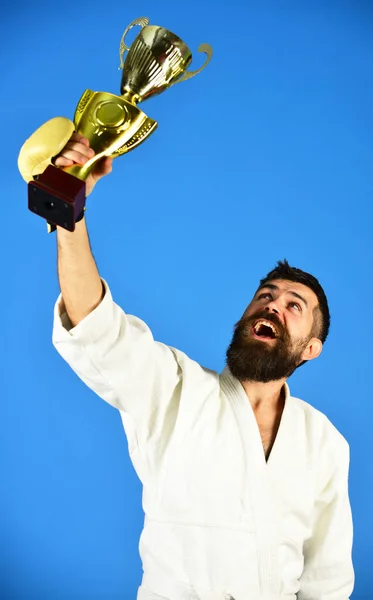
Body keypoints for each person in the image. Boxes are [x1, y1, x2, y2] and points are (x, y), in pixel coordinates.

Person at [51, 133, 354, 600]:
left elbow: (327, 581)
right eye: (266, 295)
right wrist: (68, 210)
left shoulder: (325, 442)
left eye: (295, 305)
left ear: (311, 348)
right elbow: (97, 326)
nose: (273, 305)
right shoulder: (174, 390)